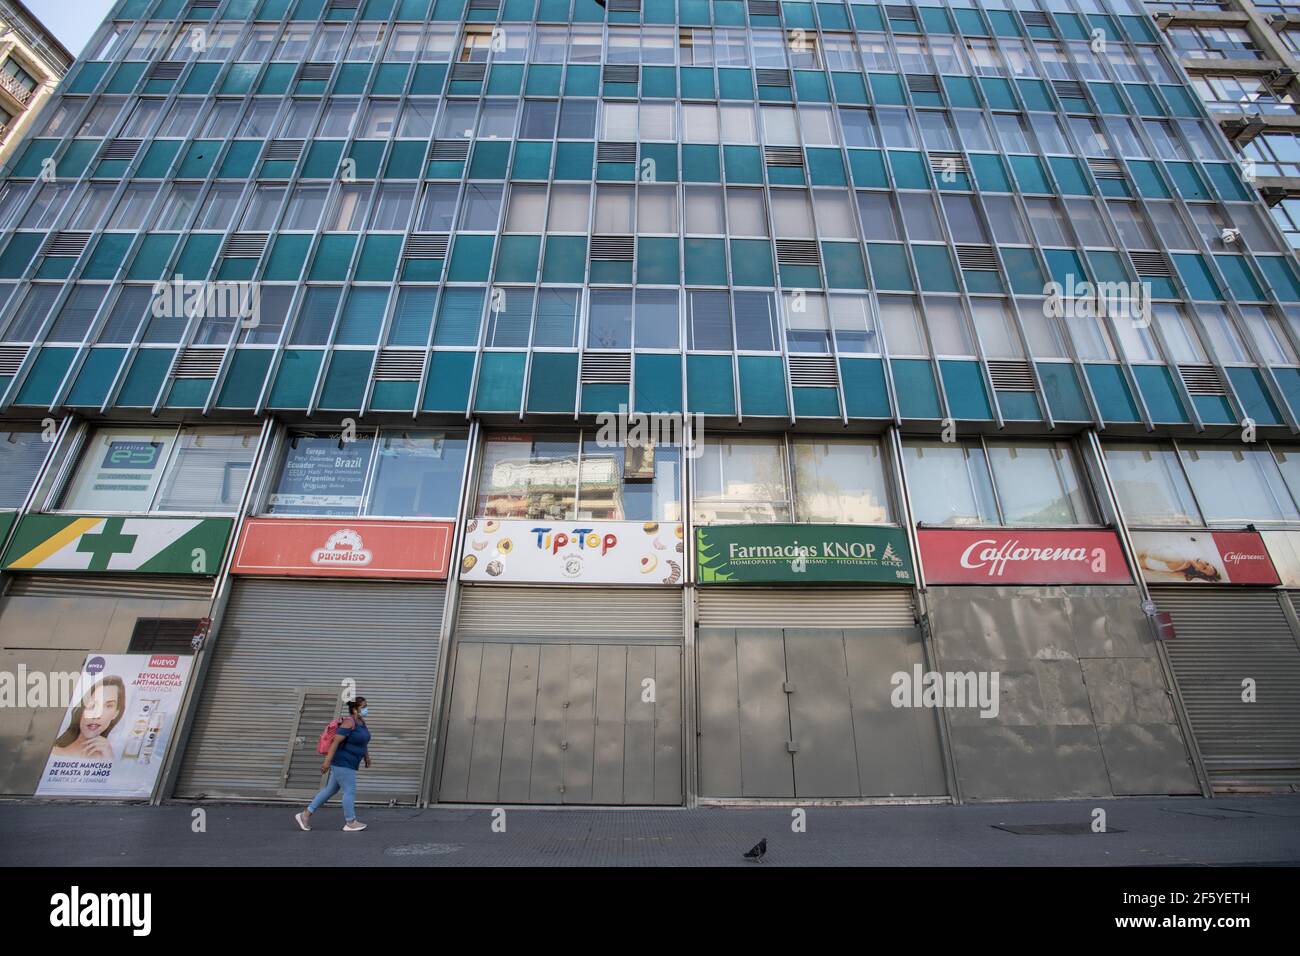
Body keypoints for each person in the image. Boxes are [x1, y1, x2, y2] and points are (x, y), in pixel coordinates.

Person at [295, 697, 371, 832]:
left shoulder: (361, 722)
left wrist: (366, 757)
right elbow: (335, 742)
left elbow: (363, 742)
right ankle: (350, 821)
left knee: (330, 790)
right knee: (349, 790)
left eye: (366, 706)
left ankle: (305, 815)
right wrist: (327, 762)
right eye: (363, 706)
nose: (366, 709)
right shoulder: (349, 722)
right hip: (342, 761)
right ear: (355, 709)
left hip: (350, 762)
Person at [51, 676, 127, 760]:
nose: (97, 715)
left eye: (108, 706)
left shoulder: (109, 759)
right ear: (83, 707)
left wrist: (109, 761)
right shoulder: (51, 753)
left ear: (116, 713)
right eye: (93, 704)